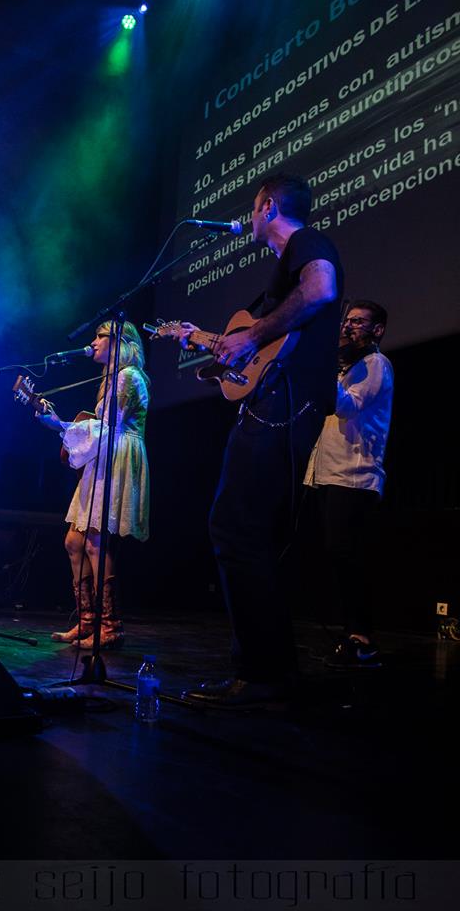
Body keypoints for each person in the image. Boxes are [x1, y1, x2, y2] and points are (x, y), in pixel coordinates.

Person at [182, 173, 343, 706]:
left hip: (283, 407)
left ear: (268, 207)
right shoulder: (280, 276)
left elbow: (321, 289)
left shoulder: (306, 242)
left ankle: (261, 674)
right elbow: (257, 355)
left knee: (233, 526)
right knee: (250, 534)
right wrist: (218, 357)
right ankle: (273, 672)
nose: (249, 219)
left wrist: (250, 335)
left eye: (253, 209)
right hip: (276, 402)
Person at [35, 321, 150, 649]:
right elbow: (99, 426)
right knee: (75, 541)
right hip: (104, 456)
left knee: (95, 542)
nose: (94, 341)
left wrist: (60, 425)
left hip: (117, 456)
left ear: (120, 342)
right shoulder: (111, 378)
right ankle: (88, 621)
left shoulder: (128, 376)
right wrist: (60, 425)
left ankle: (109, 626)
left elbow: (110, 428)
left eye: (101, 336)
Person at [304, 299, 393, 668]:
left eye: (358, 321)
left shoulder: (376, 365)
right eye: (347, 320)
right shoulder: (346, 368)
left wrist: (325, 366)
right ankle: (350, 632)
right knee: (335, 554)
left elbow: (347, 407)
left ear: (377, 330)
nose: (348, 326)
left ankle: (362, 637)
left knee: (346, 554)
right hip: (327, 473)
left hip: (354, 477)